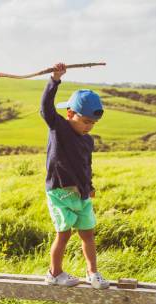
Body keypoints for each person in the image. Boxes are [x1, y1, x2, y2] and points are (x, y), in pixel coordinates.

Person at [40, 62, 109, 289]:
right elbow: (46, 109)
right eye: (86, 121)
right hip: (60, 192)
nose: (89, 127)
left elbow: (85, 165)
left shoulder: (87, 140)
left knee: (88, 234)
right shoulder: (58, 129)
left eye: (93, 123)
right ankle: (54, 273)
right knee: (64, 233)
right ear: (70, 113)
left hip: (81, 195)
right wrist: (55, 80)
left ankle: (92, 273)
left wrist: (89, 185)